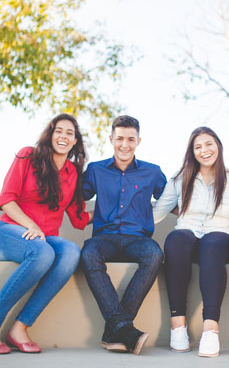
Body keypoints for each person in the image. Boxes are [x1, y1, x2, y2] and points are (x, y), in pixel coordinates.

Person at [152, 126, 229, 358]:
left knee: (212, 242)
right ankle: (178, 325)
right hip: (187, 238)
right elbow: (156, 213)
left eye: (209, 144)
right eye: (198, 147)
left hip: (221, 239)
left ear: (218, 145)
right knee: (176, 238)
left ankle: (211, 328)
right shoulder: (180, 180)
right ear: (192, 152)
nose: (204, 150)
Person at [0, 114, 90, 354]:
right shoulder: (27, 156)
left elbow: (78, 218)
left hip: (45, 237)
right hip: (11, 228)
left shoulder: (72, 173)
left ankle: (19, 327)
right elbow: (6, 200)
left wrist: (118, 214)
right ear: (50, 135)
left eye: (69, 133)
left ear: (75, 141)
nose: (63, 136)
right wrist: (30, 225)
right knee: (42, 254)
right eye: (58, 130)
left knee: (71, 252)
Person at [81, 115, 166, 355]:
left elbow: (174, 198)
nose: (125, 145)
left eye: (131, 139)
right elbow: (76, 196)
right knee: (88, 253)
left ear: (139, 141)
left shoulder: (153, 172)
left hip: (138, 239)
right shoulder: (96, 170)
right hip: (104, 238)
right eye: (120, 139)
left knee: (154, 254)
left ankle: (116, 329)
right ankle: (125, 329)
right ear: (111, 139)